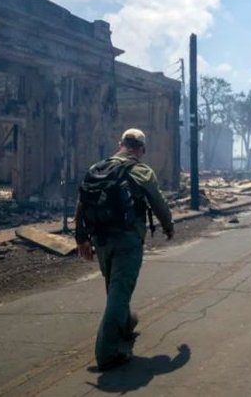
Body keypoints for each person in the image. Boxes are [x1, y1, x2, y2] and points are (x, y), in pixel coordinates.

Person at [75, 128, 175, 371]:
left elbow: (82, 203)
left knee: (114, 287)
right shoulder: (142, 171)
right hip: (128, 240)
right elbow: (158, 203)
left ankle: (126, 324)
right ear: (141, 149)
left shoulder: (97, 168)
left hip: (101, 239)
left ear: (120, 143)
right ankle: (107, 354)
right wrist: (169, 227)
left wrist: (81, 238)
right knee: (119, 292)